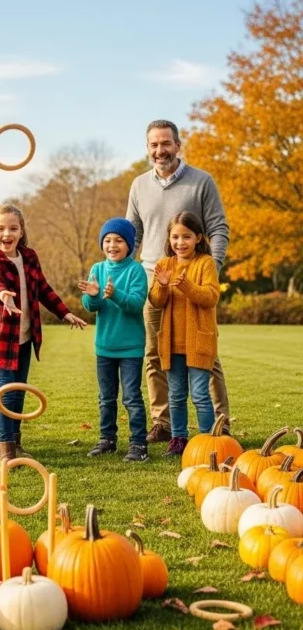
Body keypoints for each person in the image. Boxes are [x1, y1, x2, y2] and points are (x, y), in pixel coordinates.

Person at [126, 119, 230, 443]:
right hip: (153, 283)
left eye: (166, 144)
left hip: (195, 283)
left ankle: (220, 424)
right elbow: (133, 234)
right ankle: (164, 423)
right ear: (147, 149)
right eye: (154, 145)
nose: (160, 150)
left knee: (205, 355)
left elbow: (218, 228)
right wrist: (125, 273)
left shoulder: (202, 182)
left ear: (178, 145)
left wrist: (211, 266)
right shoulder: (139, 185)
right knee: (155, 354)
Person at [0, 203, 87, 461]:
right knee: (6, 392)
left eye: (13, 228)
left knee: (19, 391)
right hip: (1, 340)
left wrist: (64, 312)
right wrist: (3, 295)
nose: (6, 234)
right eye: (0, 228)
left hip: (24, 338)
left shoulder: (29, 256)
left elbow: (43, 288)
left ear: (21, 232)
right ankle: (6, 451)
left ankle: (17, 443)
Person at [148, 211, 220, 456]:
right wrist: (164, 285)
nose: (180, 243)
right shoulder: (163, 265)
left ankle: (209, 441)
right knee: (176, 395)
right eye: (175, 237)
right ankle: (178, 439)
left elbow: (210, 297)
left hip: (198, 342)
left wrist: (186, 285)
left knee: (200, 394)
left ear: (198, 237)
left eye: (187, 237)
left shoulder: (205, 264)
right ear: (169, 238)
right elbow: (156, 301)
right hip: (171, 343)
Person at [79, 218, 149, 462]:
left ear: (129, 244)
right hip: (105, 346)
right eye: (107, 240)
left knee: (131, 397)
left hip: (130, 348)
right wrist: (95, 296)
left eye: (119, 240)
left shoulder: (135, 270)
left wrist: (114, 294)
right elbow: (90, 306)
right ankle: (107, 439)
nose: (112, 245)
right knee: (106, 397)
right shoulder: (97, 269)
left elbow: (135, 304)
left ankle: (139, 444)